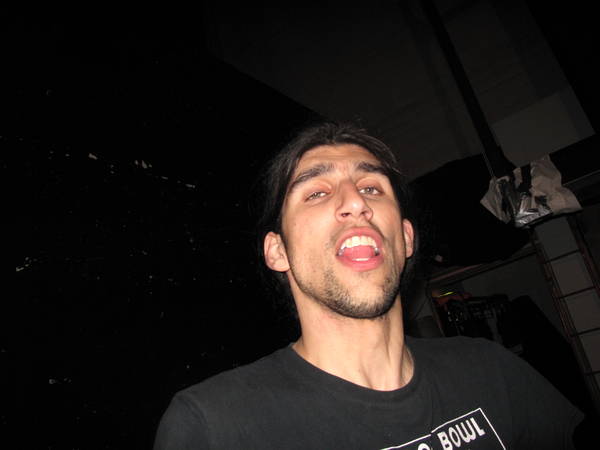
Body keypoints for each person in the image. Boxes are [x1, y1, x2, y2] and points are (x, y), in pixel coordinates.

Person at [154, 121, 583, 449]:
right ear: (277, 251)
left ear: (407, 238)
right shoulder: (215, 427)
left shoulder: (492, 372)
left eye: (372, 187)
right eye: (316, 192)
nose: (356, 202)